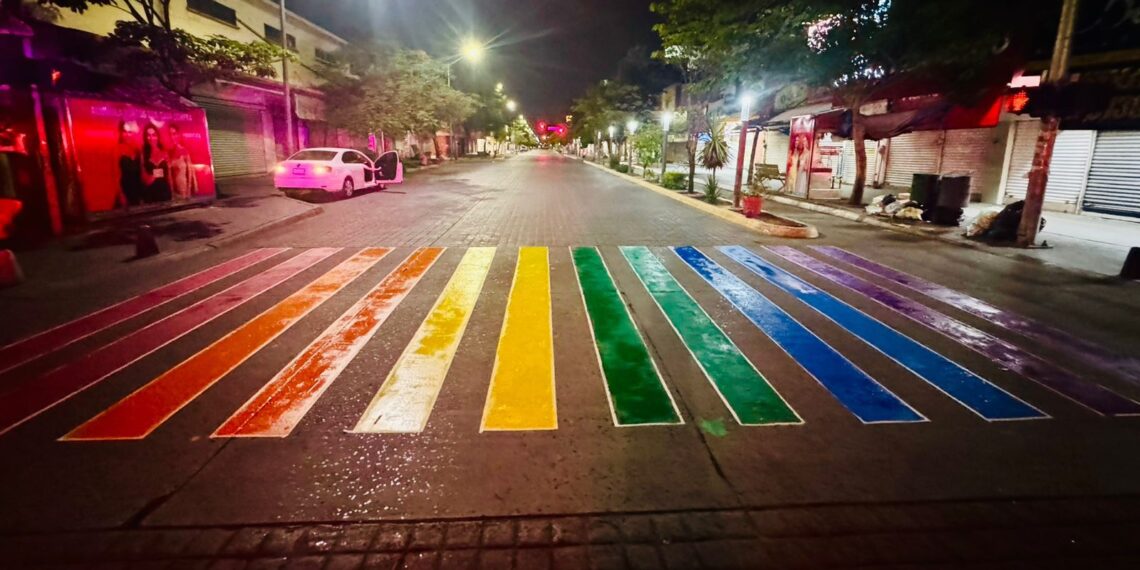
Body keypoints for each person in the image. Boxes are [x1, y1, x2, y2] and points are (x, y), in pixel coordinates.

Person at [140, 123, 171, 203]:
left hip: (165, 191)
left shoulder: (164, 153)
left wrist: (172, 191)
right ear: (145, 137)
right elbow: (145, 180)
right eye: (148, 135)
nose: (151, 138)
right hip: (150, 193)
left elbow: (169, 176)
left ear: (157, 136)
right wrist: (159, 173)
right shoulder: (143, 154)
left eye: (153, 135)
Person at [167, 124, 197, 200]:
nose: (172, 137)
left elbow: (190, 172)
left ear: (178, 135)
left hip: (183, 188)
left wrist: (188, 190)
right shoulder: (168, 152)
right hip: (172, 190)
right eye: (170, 134)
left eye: (174, 134)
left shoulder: (184, 151)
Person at [117, 120, 143, 207]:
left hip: (137, 190)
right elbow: (115, 174)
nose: (127, 135)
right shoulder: (117, 150)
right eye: (125, 132)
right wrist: (120, 194)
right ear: (121, 133)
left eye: (130, 132)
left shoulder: (137, 150)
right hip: (125, 190)